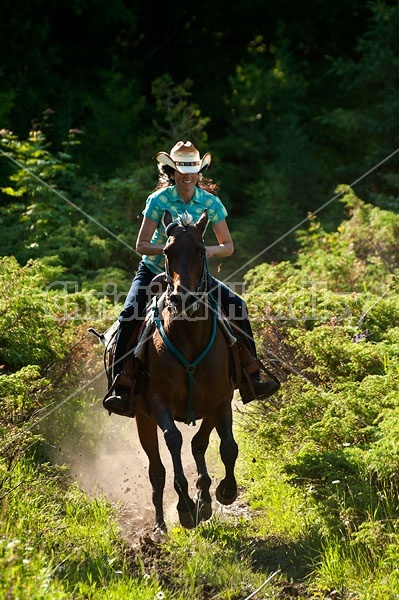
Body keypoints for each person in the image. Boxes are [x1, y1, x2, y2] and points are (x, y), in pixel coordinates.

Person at [104, 141, 279, 414]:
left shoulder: (211, 202)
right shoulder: (158, 200)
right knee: (129, 314)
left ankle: (251, 376)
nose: (187, 175)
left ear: (199, 172)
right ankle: (122, 386)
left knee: (237, 306)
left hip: (197, 277)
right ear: (171, 172)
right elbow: (141, 245)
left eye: (192, 169)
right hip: (153, 270)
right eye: (181, 169)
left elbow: (228, 245)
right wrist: (173, 250)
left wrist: (205, 251)